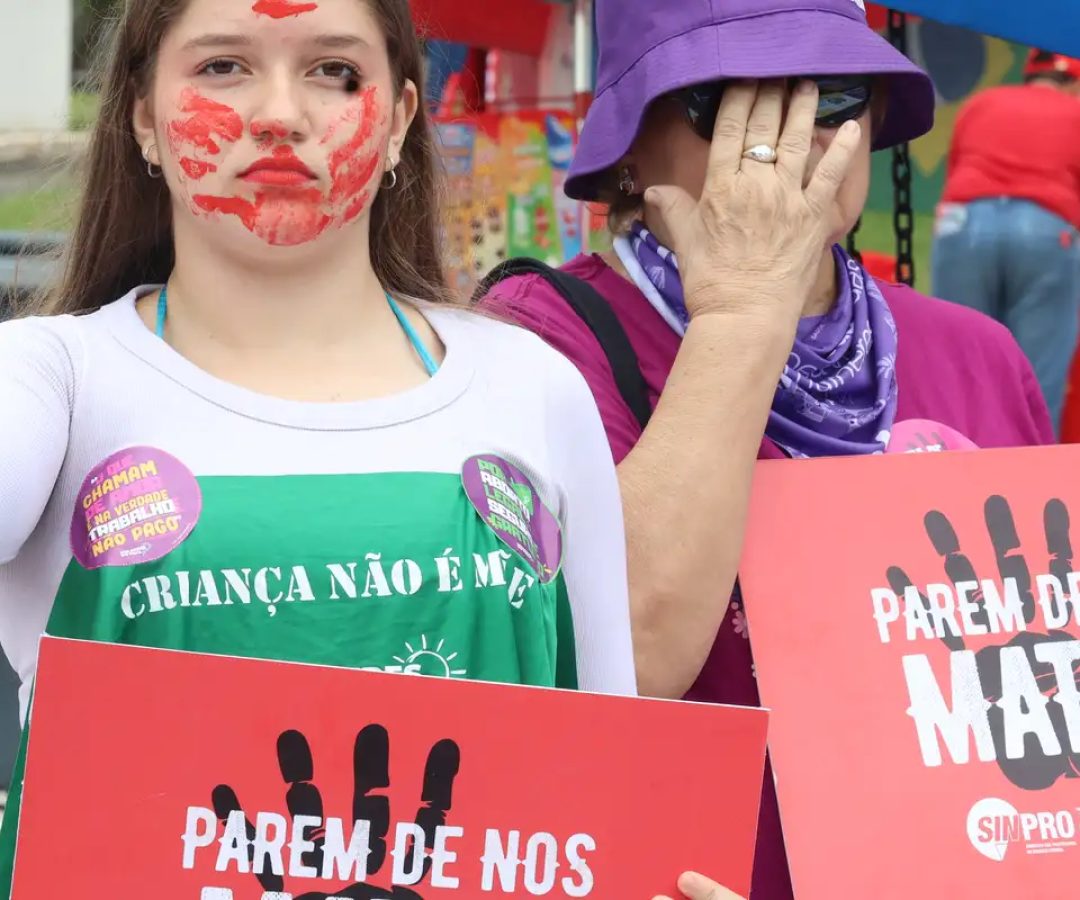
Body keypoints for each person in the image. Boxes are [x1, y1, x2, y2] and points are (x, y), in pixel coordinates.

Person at [0, 0, 640, 892]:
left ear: (401, 120)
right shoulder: (51, 381)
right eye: (223, 66)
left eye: (334, 72)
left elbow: (613, 773)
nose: (280, 114)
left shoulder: (533, 387)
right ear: (143, 115)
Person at [480, 0, 1055, 896]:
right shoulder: (537, 345)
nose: (789, 136)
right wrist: (745, 306)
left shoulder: (977, 353)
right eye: (727, 98)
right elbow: (611, 655)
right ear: (631, 146)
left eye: (832, 93)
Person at [932, 49, 1080, 434]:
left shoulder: (981, 103)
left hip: (963, 224)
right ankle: (1030, 468)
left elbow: (954, 174)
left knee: (958, 367)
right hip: (1045, 228)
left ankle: (952, 462)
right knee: (1035, 380)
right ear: (1074, 83)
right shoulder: (1076, 112)